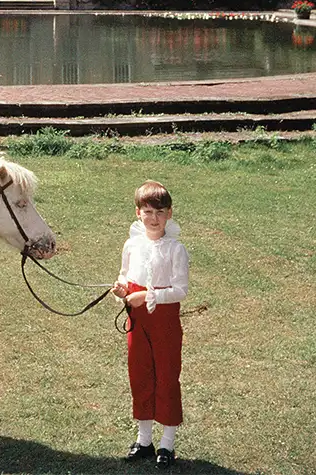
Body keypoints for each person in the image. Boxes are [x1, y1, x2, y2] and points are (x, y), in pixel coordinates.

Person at [112, 180, 189, 467]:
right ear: (137, 213)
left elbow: (180, 290)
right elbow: (124, 275)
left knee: (166, 376)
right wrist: (122, 290)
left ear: (169, 214)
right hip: (138, 321)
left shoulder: (175, 249)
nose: (153, 218)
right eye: (148, 211)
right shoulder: (132, 244)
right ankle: (144, 440)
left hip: (164, 320)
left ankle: (167, 444)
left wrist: (147, 295)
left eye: (160, 212)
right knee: (139, 373)